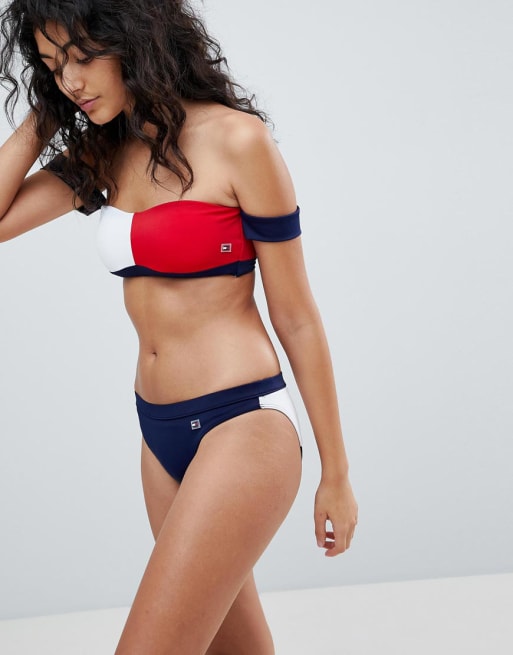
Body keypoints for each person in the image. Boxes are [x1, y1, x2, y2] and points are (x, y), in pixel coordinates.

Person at [0, 1, 358, 653]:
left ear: (133, 39)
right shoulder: (103, 153)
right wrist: (45, 112)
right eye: (52, 66)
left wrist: (336, 472)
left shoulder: (237, 141)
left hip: (241, 423)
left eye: (82, 57)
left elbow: (297, 317)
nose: (71, 80)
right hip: (159, 434)